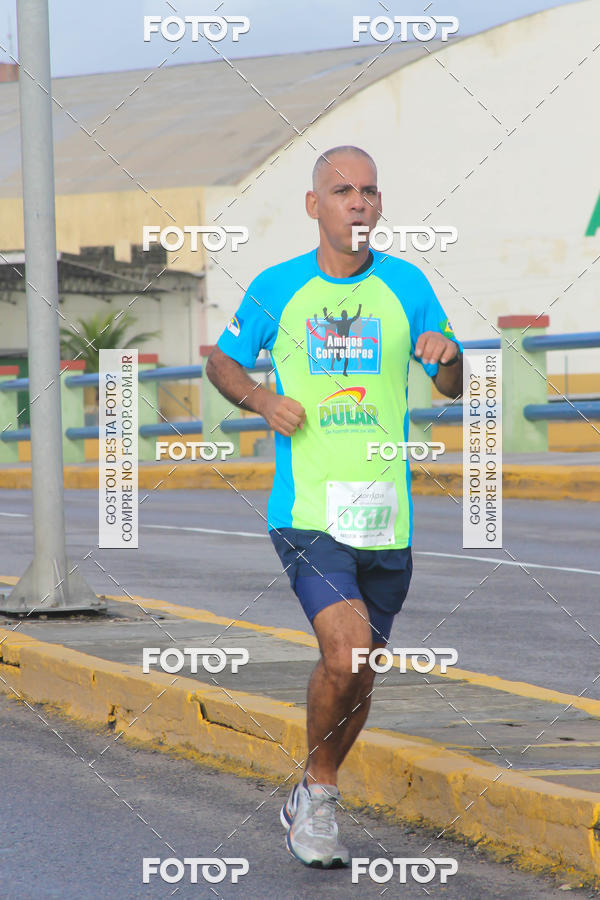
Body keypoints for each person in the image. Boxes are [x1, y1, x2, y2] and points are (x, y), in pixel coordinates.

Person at [206, 145, 463, 869]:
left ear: (379, 206)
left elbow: (451, 383)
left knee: (362, 671)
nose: (358, 202)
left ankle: (314, 788)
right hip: (308, 509)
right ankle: (319, 793)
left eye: (370, 191)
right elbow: (221, 360)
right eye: (342, 190)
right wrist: (259, 397)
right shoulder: (278, 286)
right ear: (314, 205)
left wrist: (445, 356)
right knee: (345, 652)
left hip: (387, 514)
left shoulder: (408, 286)